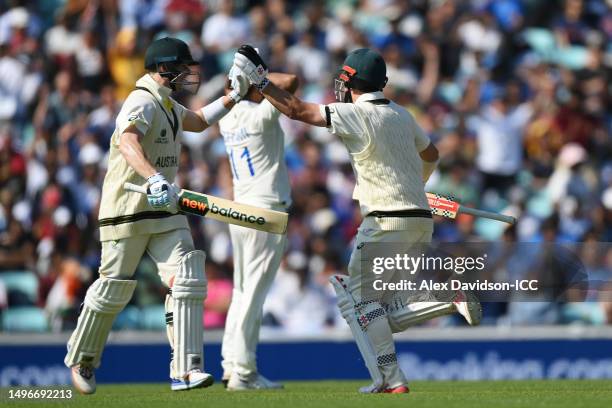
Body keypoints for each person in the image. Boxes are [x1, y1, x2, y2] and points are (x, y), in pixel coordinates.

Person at [232, 45, 482, 393]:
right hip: (419, 219)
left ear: (350, 81)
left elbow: (296, 109)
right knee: (382, 312)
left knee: (362, 304)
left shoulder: (354, 114)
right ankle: (416, 341)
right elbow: (432, 154)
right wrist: (417, 185)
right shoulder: (402, 114)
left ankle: (396, 375)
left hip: (384, 221)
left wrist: (261, 80)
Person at [64, 37, 249, 394]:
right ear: (165, 69)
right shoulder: (141, 101)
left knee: (188, 278)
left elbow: (197, 122)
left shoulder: (166, 103)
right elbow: (128, 142)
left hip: (163, 208)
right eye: (182, 68)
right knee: (113, 288)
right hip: (128, 207)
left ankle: (185, 369)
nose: (187, 75)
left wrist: (233, 97)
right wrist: (154, 178)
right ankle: (82, 357)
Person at [219, 72, 297, 390]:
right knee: (253, 293)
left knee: (241, 291)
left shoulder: (227, 119)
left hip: (240, 210)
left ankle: (230, 365)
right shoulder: (262, 115)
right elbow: (291, 81)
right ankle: (243, 371)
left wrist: (243, 77)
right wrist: (257, 73)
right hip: (266, 212)